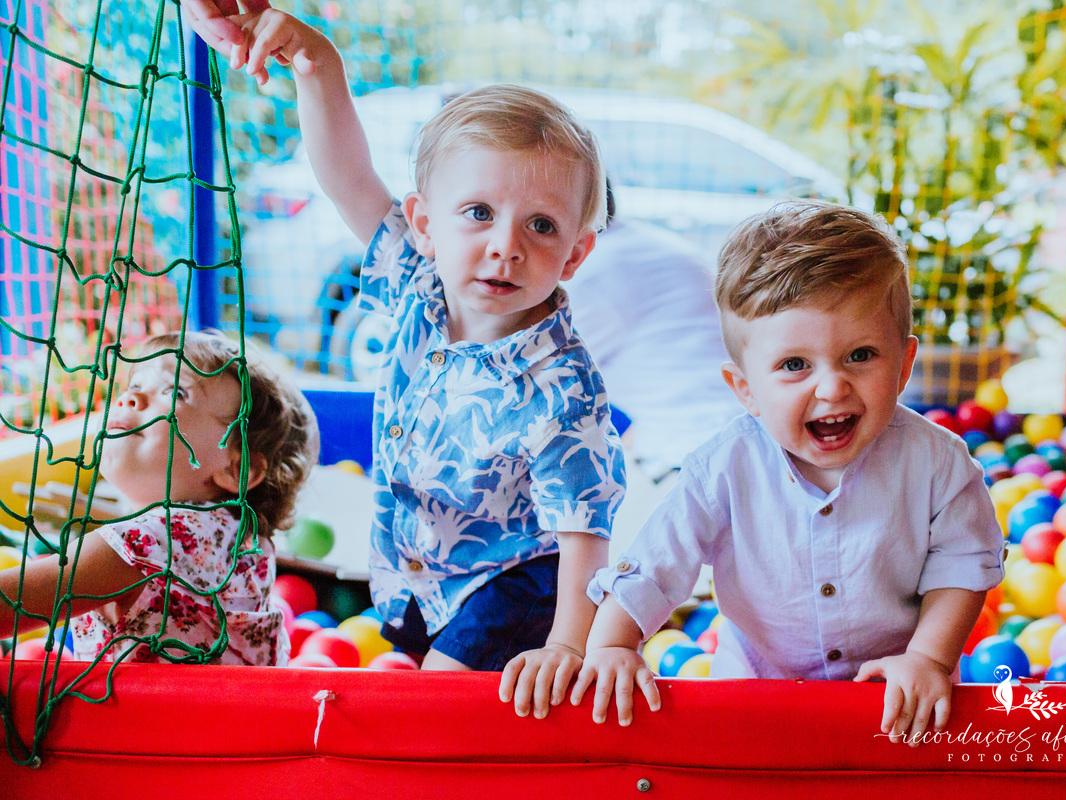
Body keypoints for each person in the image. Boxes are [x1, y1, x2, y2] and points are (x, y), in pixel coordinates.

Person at [194, 8, 625, 717]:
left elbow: (584, 532)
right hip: (421, 575)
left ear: (575, 254)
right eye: (478, 212)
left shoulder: (561, 387)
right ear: (426, 223)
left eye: (541, 226)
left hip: (517, 582)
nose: (505, 246)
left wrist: (569, 648)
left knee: (429, 715)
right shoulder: (417, 286)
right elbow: (348, 177)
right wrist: (320, 68)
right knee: (417, 674)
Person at [571, 201, 1006, 744]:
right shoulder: (722, 469)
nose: (831, 387)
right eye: (795, 365)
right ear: (745, 388)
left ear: (904, 364)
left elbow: (964, 567)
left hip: (896, 704)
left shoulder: (939, 463)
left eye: (861, 354)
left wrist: (928, 659)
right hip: (754, 699)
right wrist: (613, 645)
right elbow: (654, 568)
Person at [0, 331, 319, 665]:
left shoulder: (158, 543)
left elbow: (12, 602)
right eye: (135, 386)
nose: (131, 399)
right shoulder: (238, 536)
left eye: (175, 392)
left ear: (236, 468)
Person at [568, 185, 744, 482]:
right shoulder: (641, 243)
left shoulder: (595, 274)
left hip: (691, 455)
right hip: (739, 435)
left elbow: (536, 383)